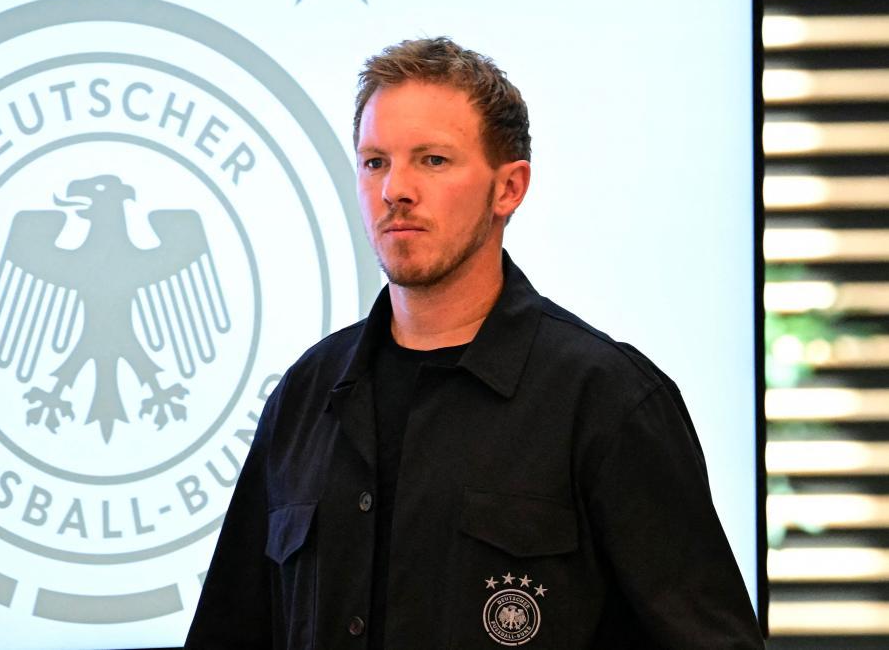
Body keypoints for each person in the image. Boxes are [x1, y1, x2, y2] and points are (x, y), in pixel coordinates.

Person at [184, 37, 765, 649]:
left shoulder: (608, 401)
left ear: (509, 188)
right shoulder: (306, 396)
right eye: (375, 162)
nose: (395, 190)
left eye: (433, 160)